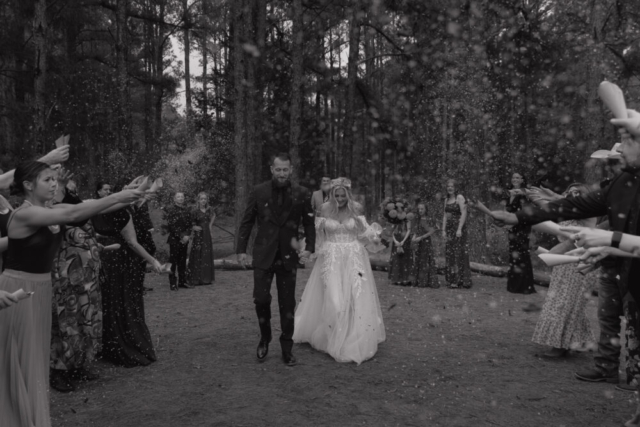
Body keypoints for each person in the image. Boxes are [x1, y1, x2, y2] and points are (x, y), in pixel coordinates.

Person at [479, 126, 640, 393]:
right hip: (617, 264)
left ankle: (634, 373)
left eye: (627, 141)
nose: (620, 149)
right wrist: (519, 217)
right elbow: (572, 205)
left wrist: (605, 239)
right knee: (612, 318)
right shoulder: (620, 183)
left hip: (630, 264)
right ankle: (609, 368)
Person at [0, 161, 142, 427]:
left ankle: (27, 418)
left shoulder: (50, 209)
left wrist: (130, 196)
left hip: (40, 290)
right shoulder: (24, 214)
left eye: (55, 179)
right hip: (18, 289)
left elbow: (82, 209)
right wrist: (118, 195)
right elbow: (71, 215)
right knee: (19, 362)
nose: (55, 184)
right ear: (29, 186)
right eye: (48, 180)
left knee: (34, 361)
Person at [293, 178, 385, 364]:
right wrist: (309, 250)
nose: (340, 198)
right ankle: (333, 335)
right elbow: (318, 234)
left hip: (353, 257)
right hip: (331, 258)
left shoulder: (356, 208)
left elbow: (363, 232)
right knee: (334, 299)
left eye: (343, 195)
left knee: (353, 298)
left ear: (348, 194)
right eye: (337, 195)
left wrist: (374, 237)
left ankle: (349, 340)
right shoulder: (325, 209)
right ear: (332, 194)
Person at [236, 153, 316, 367]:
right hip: (263, 254)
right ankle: (265, 337)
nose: (282, 173)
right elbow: (247, 221)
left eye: (285, 170)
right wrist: (241, 250)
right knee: (261, 299)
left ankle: (286, 348)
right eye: (278, 169)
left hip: (288, 256)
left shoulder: (302, 193)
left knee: (287, 303)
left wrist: (309, 247)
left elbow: (309, 223)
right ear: (272, 169)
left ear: (291, 170)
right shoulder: (258, 191)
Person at [94, 181, 162, 368]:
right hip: (121, 262)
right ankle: (127, 341)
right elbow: (132, 243)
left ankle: (111, 344)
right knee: (125, 300)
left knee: (110, 301)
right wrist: (152, 260)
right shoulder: (123, 214)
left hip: (104, 261)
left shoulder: (95, 209)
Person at [49, 178, 106, 392]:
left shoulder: (78, 208)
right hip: (67, 276)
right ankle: (59, 370)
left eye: (73, 188)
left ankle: (79, 364)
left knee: (86, 319)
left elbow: (85, 219)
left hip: (87, 277)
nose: (72, 191)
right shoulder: (54, 211)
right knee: (67, 321)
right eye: (67, 188)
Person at [531, 184, 598, 358]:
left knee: (565, 303)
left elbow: (574, 207)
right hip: (563, 261)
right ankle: (582, 341)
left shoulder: (588, 213)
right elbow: (543, 207)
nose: (574, 194)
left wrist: (555, 196)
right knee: (569, 302)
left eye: (579, 191)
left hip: (579, 261)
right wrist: (535, 194)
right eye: (570, 191)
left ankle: (559, 346)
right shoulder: (565, 209)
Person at [503, 172, 535, 294]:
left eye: (517, 177)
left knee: (522, 254)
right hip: (511, 228)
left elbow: (526, 211)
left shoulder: (524, 192)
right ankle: (513, 284)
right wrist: (505, 221)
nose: (515, 179)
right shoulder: (509, 192)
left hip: (522, 227)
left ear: (522, 179)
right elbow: (507, 209)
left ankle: (524, 285)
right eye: (513, 177)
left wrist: (514, 222)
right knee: (513, 254)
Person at [442, 179, 472, 288]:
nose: (450, 188)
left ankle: (460, 279)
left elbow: (464, 213)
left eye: (452, 186)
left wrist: (459, 228)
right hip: (449, 230)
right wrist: (443, 230)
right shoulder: (446, 199)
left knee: (458, 253)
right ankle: (451, 278)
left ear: (456, 188)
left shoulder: (460, 197)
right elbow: (445, 215)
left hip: (458, 229)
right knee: (450, 254)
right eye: (448, 186)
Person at [165, 192, 193, 290]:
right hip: (174, 240)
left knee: (182, 261)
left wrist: (187, 235)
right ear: (174, 199)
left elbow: (190, 224)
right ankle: (172, 282)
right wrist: (181, 236)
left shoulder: (186, 210)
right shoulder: (171, 211)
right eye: (178, 197)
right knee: (173, 261)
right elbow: (171, 226)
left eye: (182, 197)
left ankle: (182, 281)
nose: (180, 198)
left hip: (185, 240)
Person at [188, 192, 216, 286]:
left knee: (206, 253)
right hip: (199, 235)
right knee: (198, 253)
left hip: (207, 234)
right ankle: (197, 278)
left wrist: (210, 226)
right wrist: (193, 227)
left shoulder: (209, 209)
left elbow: (213, 216)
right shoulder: (195, 210)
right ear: (198, 200)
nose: (203, 200)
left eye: (205, 199)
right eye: (202, 199)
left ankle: (206, 278)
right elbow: (189, 221)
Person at [411, 202, 440, 288]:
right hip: (418, 242)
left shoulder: (428, 219)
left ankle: (426, 281)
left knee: (426, 260)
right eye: (419, 209)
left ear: (426, 209)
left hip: (426, 241)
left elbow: (431, 231)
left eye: (422, 209)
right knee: (418, 259)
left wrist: (421, 237)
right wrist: (414, 237)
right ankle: (419, 280)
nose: (420, 210)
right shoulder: (417, 219)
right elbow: (416, 230)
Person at [389, 212, 412, 286]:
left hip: (405, 241)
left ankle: (404, 278)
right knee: (396, 259)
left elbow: (409, 230)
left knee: (405, 259)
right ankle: (396, 278)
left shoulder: (407, 220)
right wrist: (395, 241)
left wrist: (403, 241)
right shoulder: (395, 220)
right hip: (397, 240)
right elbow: (392, 231)